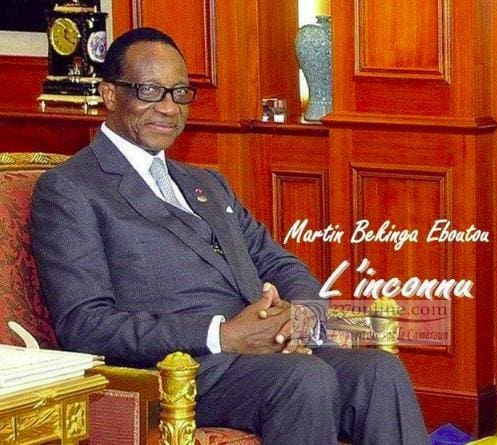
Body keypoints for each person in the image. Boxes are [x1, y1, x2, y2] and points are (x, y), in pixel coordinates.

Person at [31, 27, 428, 445]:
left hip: (264, 354)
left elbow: (277, 261)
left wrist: (302, 314)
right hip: (181, 371)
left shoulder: (206, 184)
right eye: (149, 91)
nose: (168, 107)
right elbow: (85, 325)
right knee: (305, 378)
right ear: (110, 94)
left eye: (179, 92)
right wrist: (222, 335)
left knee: (378, 372)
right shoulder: (72, 189)